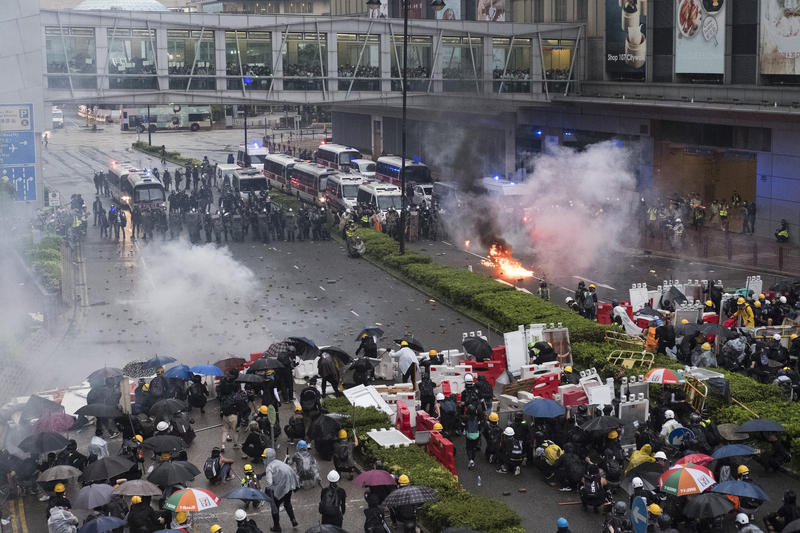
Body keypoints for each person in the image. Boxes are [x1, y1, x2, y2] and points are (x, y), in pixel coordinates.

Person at [263, 448, 300, 531]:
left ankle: (277, 527)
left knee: (275, 508)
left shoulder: (269, 467)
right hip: (289, 486)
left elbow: (269, 483)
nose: (263, 459)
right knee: (287, 503)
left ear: (268, 457)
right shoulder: (279, 462)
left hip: (279, 490)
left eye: (264, 457)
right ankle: (293, 520)